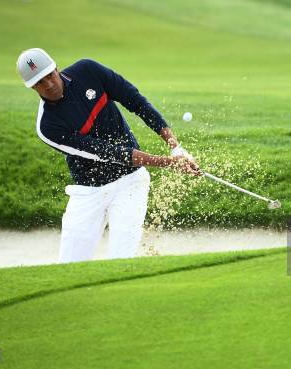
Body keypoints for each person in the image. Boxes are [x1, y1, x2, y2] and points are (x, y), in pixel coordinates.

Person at [16, 48, 200, 263]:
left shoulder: (88, 71)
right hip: (88, 192)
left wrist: (175, 148)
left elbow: (136, 102)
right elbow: (107, 152)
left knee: (121, 260)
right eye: (39, 82)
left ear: (56, 68)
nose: (48, 84)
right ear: (31, 87)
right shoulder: (48, 126)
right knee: (69, 265)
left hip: (130, 183)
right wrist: (168, 163)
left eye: (49, 75)